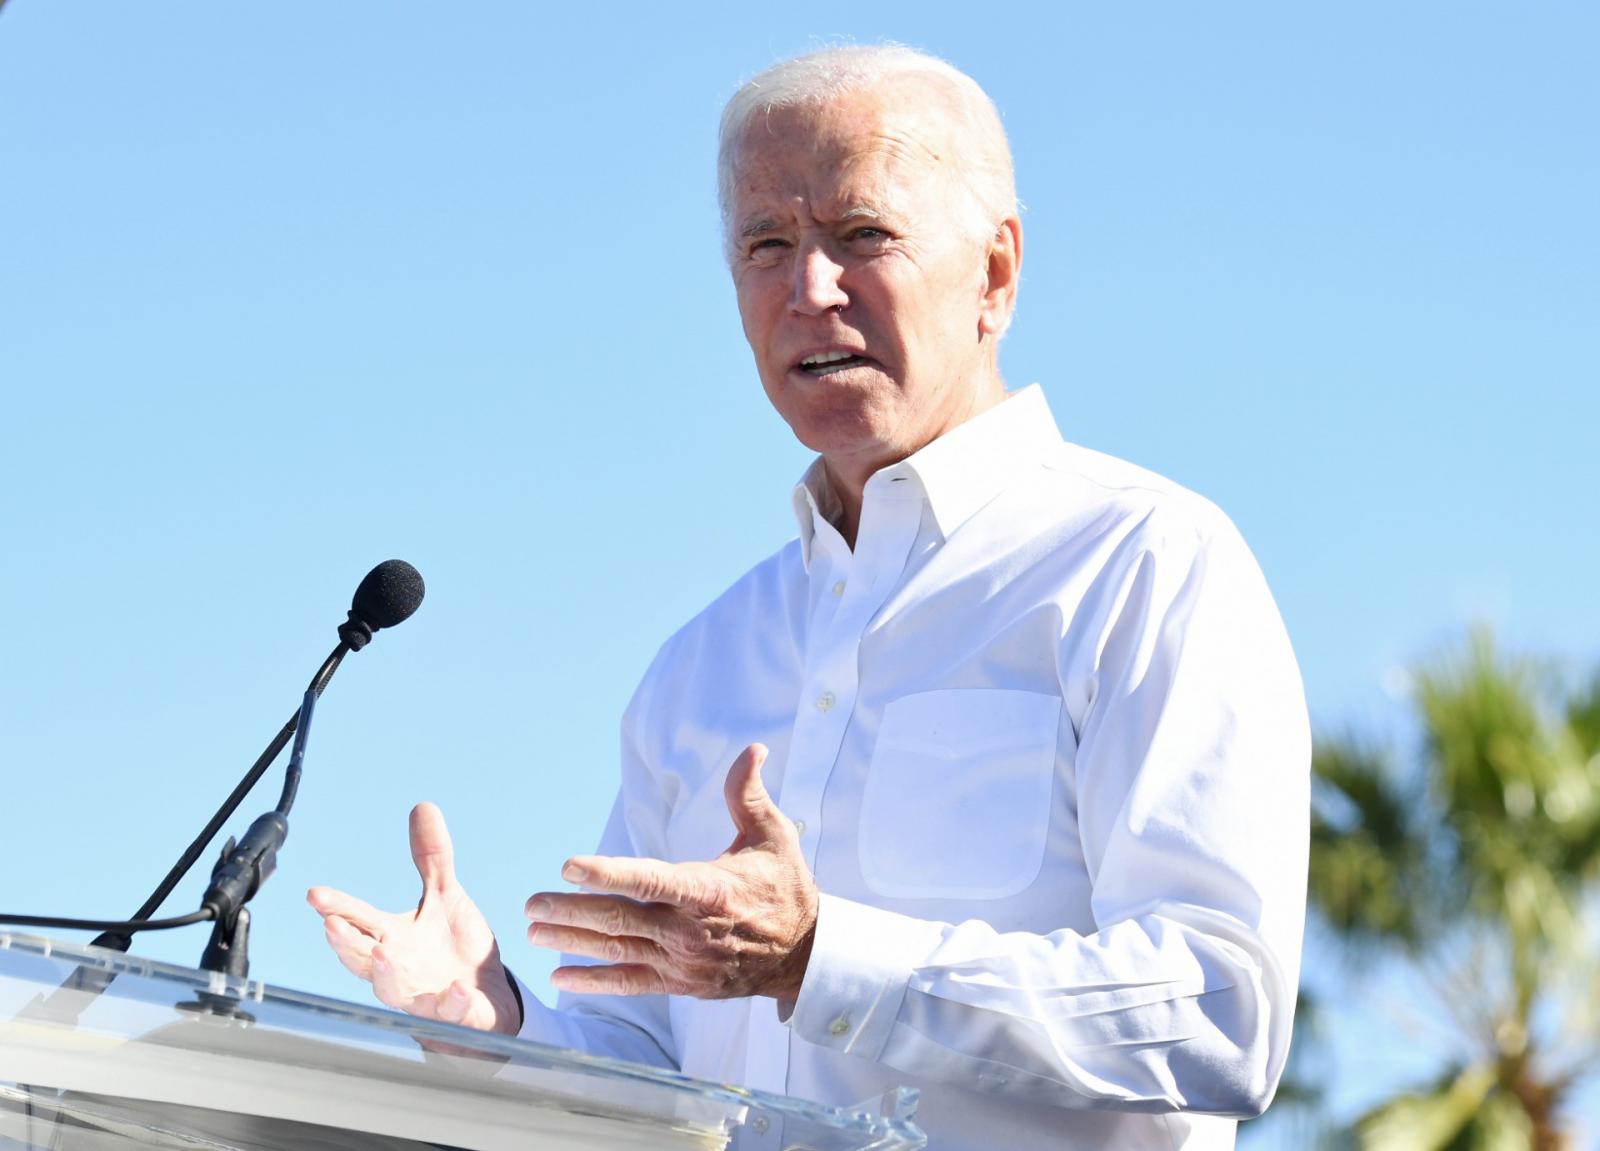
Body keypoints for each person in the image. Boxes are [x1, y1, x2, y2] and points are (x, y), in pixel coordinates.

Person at [308, 44, 1310, 1151]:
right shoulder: (700, 663)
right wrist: (488, 1021)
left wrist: (821, 955)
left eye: (861, 235)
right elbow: (654, 1070)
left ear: (996, 273)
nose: (808, 289)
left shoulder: (1142, 563)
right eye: (766, 246)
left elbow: (1222, 1012)